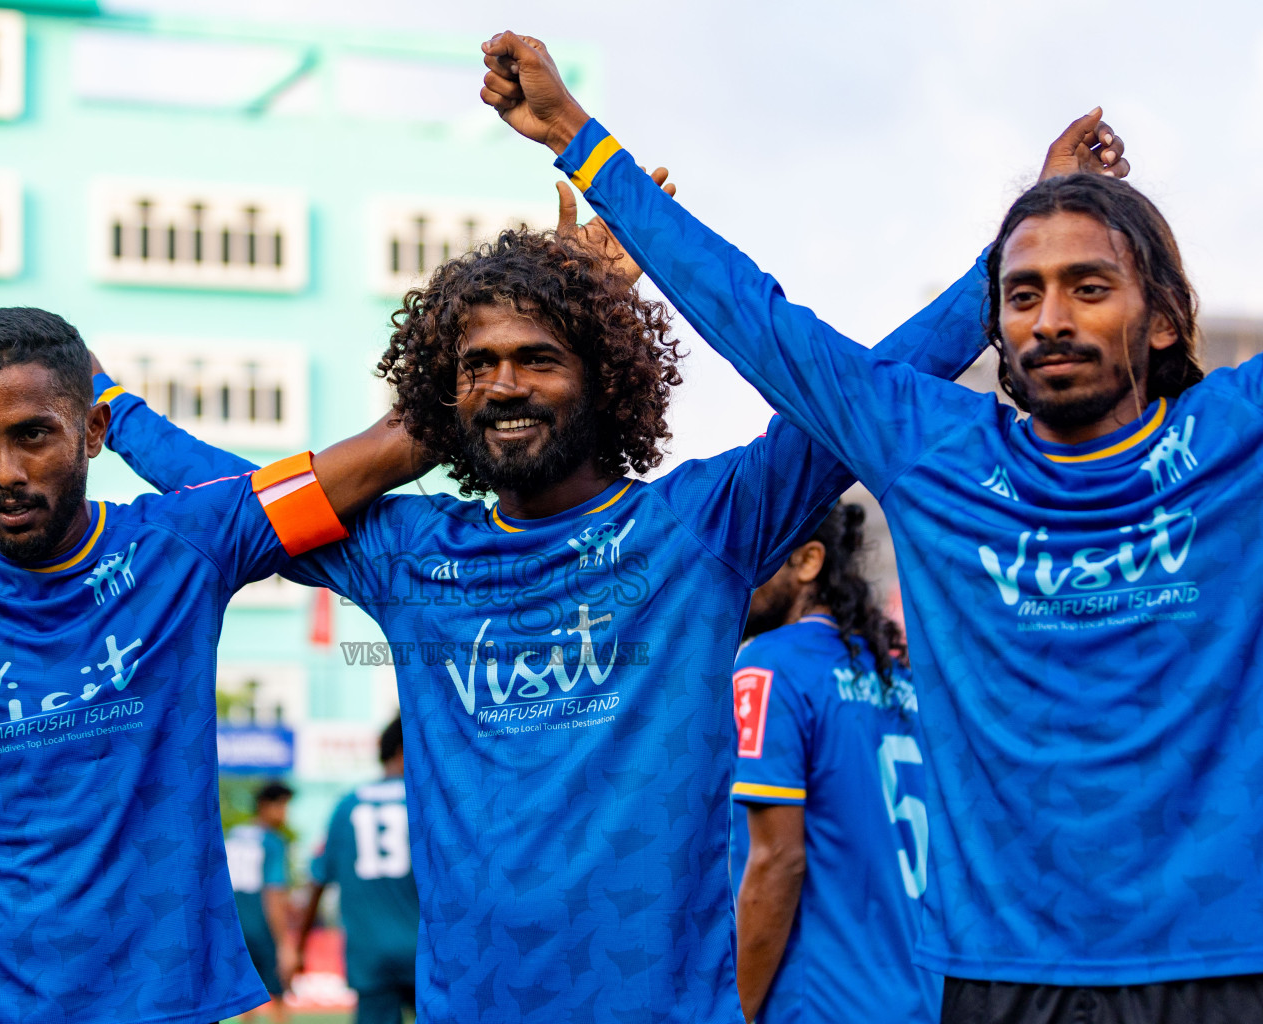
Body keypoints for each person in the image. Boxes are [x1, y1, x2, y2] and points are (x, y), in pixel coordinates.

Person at [86, 174, 1006, 1022]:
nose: (504, 385)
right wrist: (110, 407)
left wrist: (999, 276)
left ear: (604, 381)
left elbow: (873, 391)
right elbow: (229, 505)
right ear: (441, 397)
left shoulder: (698, 529)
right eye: (476, 365)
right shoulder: (410, 554)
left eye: (537, 358)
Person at [485, 32, 1263, 1024]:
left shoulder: (1234, 443)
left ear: (1160, 321)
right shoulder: (935, 450)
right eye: (1023, 294)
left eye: (1089, 287)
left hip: (1220, 966)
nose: (1050, 319)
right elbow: (754, 317)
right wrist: (575, 136)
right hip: (998, 976)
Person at [0, 307, 423, 1024]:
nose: (5, 473)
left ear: (93, 430)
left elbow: (392, 449)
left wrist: (547, 289)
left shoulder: (182, 546)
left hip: (163, 1009)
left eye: (33, 435)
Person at [731, 503, 934, 1024]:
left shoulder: (768, 665)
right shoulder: (903, 679)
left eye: (757, 553)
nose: (737, 567)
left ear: (808, 561)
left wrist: (736, 1012)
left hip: (820, 1000)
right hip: (920, 997)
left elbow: (778, 861)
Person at [296, 717, 418, 1024]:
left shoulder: (346, 806)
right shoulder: (427, 803)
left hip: (370, 955)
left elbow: (317, 882)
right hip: (427, 950)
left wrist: (298, 947)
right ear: (405, 750)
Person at [229, 780, 297, 1022]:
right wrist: (284, 944)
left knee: (247, 998)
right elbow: (273, 895)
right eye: (282, 806)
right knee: (278, 996)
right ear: (264, 806)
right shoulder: (272, 841)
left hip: (235, 928)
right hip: (263, 927)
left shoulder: (232, 835)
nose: (284, 813)